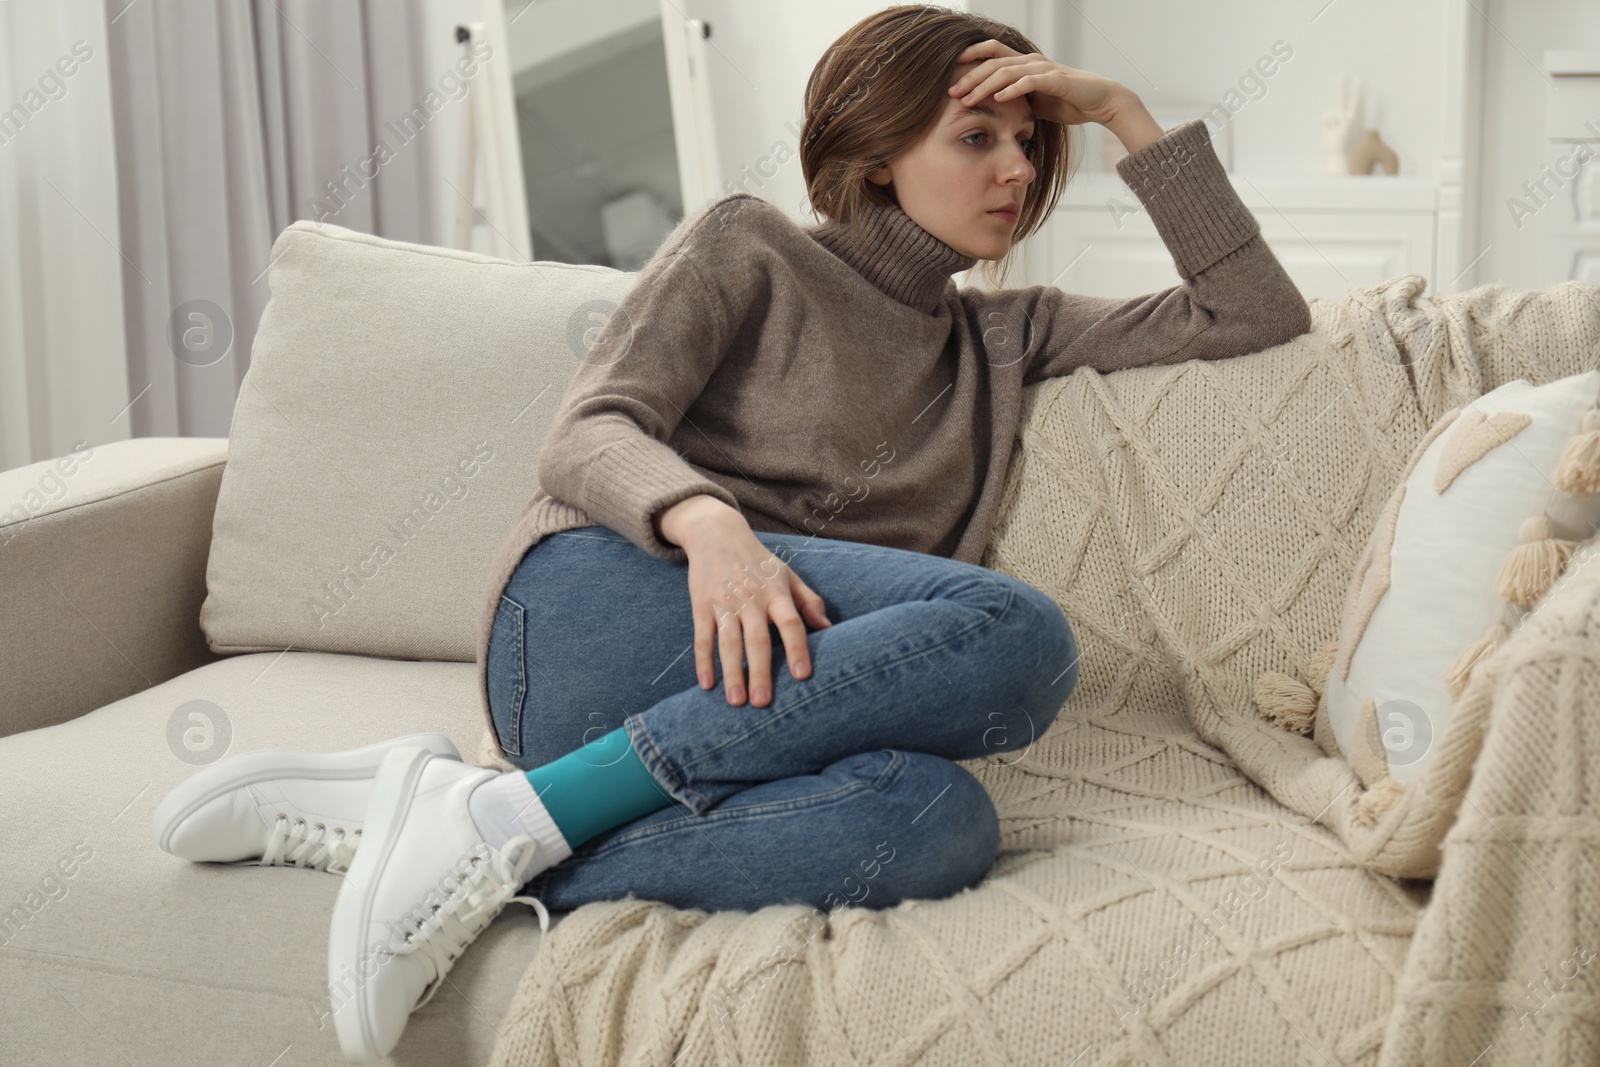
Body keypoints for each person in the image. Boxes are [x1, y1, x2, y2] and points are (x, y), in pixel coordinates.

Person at [150, 6, 1313, 1062]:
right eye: (976, 139)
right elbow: (590, 429)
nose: (1016, 167)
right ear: (873, 153)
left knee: (935, 820)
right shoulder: (749, 245)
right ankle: (512, 806)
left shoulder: (1009, 337)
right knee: (1017, 634)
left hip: (766, 701)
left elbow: (1253, 310)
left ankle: (487, 827)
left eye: (1031, 142)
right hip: (594, 615)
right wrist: (711, 525)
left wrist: (1117, 112)